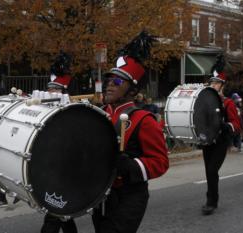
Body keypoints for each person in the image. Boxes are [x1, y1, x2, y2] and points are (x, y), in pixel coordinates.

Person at [92, 31, 169, 233]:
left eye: (117, 82)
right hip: (102, 194)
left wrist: (130, 165)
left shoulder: (144, 120)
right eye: (109, 80)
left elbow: (161, 162)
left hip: (130, 196)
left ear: (132, 91)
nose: (109, 85)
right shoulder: (99, 114)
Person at [40, 52, 78, 233]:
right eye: (50, 89)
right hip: (51, 166)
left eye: (54, 90)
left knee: (55, 211)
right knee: (61, 212)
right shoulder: (45, 106)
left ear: (63, 92)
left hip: (65, 168)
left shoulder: (72, 109)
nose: (50, 93)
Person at [201, 54, 241, 215]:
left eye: (216, 83)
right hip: (207, 141)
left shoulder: (228, 103)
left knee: (211, 171)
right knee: (209, 172)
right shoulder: (204, 102)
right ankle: (211, 198)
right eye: (212, 82)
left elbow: (237, 124)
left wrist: (225, 126)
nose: (213, 85)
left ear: (222, 85)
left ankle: (212, 202)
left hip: (220, 141)